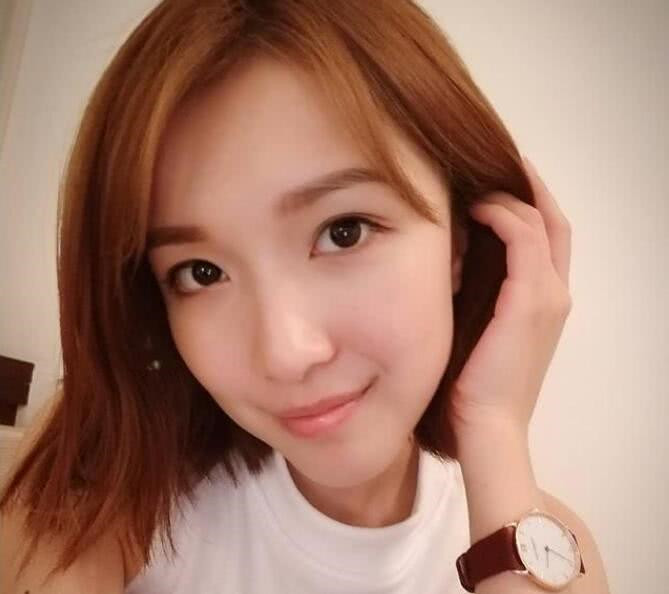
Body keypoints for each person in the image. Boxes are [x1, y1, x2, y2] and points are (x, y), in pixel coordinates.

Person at [0, 1, 610, 592]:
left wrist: (494, 428)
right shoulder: (108, 499)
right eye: (201, 273)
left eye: (344, 232)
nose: (285, 355)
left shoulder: (544, 541)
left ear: (459, 242)